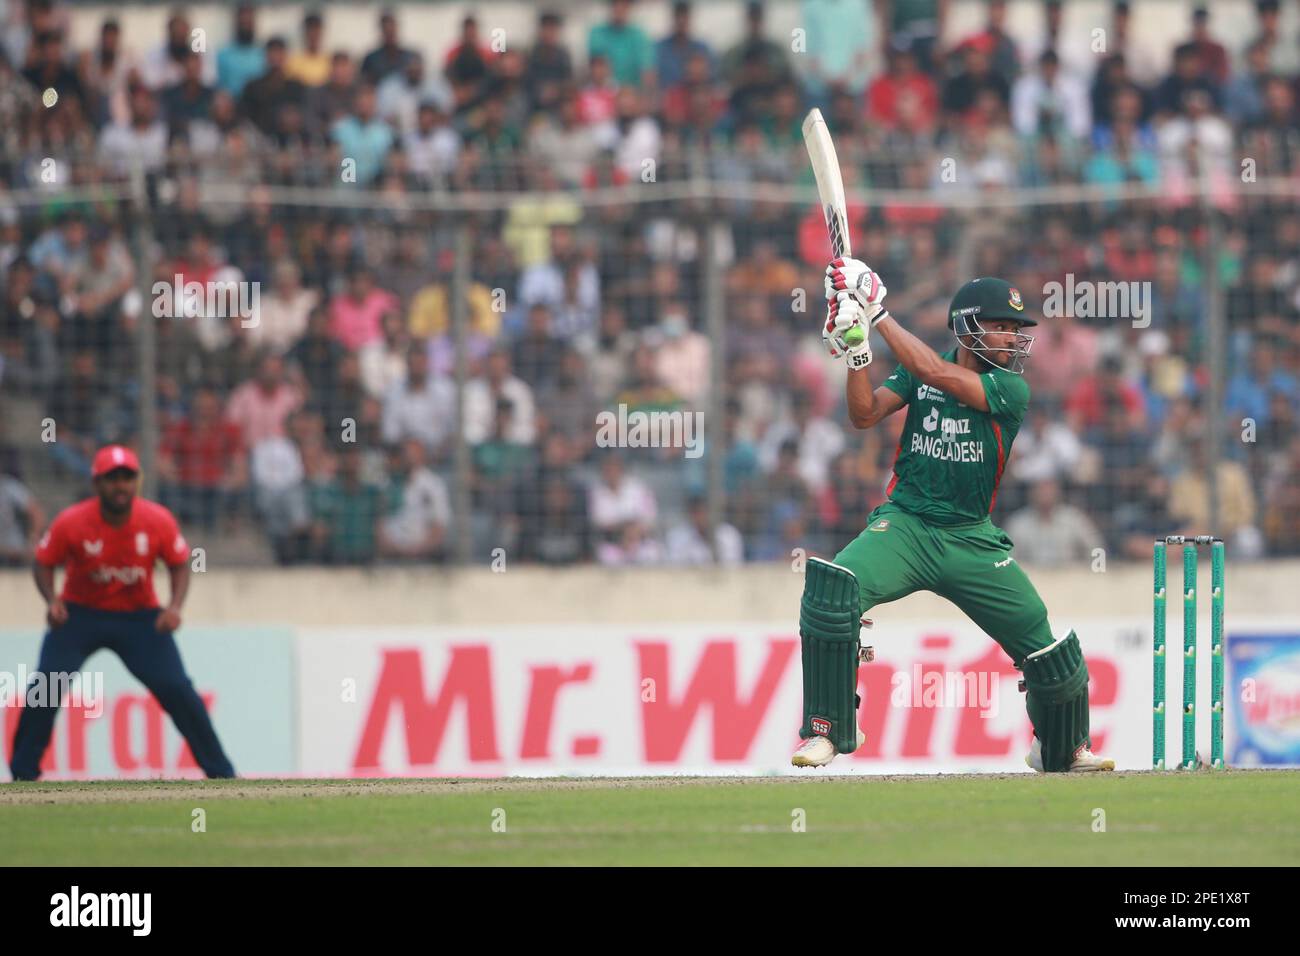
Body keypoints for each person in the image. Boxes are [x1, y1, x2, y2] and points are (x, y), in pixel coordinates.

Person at [790, 258, 1114, 773]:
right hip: (908, 526)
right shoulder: (918, 368)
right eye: (1001, 326)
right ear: (966, 325)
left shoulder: (1011, 389)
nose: (1011, 339)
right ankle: (826, 730)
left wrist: (877, 312)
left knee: (1043, 640)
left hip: (971, 539)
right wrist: (856, 355)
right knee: (835, 590)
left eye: (1015, 329)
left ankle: (1062, 746)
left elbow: (937, 373)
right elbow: (863, 415)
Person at [9, 445, 236, 781]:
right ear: (96, 483)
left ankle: (223, 775)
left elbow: (179, 564)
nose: (121, 486)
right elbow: (44, 563)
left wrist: (174, 607)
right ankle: (22, 776)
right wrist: (52, 600)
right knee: (47, 685)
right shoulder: (72, 522)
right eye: (112, 479)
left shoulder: (156, 520)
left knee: (178, 689)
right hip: (79, 616)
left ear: (137, 482)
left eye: (127, 478)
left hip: (139, 618)